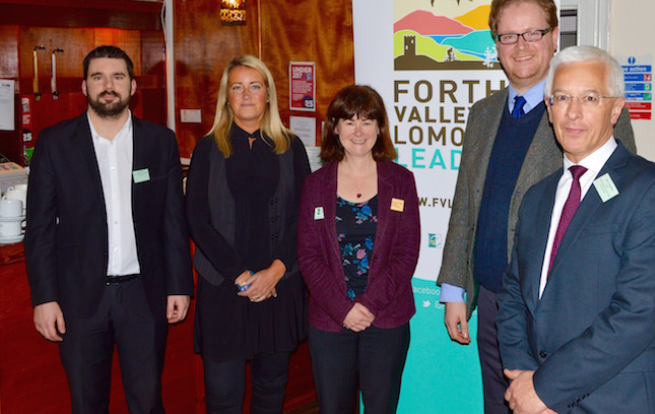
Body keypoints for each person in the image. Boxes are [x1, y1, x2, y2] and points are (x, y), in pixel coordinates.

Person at [436, 0, 637, 414]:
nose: (521, 46)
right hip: (494, 302)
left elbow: (618, 208)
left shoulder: (585, 110)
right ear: (496, 45)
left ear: (553, 36)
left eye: (532, 33)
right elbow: (466, 202)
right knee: (502, 403)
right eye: (508, 35)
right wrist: (455, 286)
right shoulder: (482, 114)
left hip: (564, 309)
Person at [24, 45, 193, 413]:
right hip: (79, 300)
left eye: (118, 77)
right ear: (84, 87)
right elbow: (38, 229)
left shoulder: (158, 141)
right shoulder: (54, 143)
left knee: (148, 402)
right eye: (98, 77)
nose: (108, 85)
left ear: (132, 86)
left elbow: (172, 221)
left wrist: (180, 285)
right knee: (87, 403)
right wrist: (44, 297)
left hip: (143, 297)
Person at [497, 45, 655, 413]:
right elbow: (512, 293)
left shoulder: (649, 189)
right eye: (562, 98)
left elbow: (639, 312)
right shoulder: (537, 197)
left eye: (589, 97)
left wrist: (544, 388)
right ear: (549, 108)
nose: (573, 112)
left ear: (616, 107)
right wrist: (523, 373)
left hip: (615, 399)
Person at [186, 55, 310, 413]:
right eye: (236, 87)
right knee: (223, 395)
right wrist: (241, 276)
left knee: (271, 389)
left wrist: (274, 272)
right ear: (226, 97)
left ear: (268, 94)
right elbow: (196, 219)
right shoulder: (208, 149)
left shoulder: (291, 147)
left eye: (255, 86)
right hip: (225, 289)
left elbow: (304, 217)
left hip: (278, 287)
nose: (246, 95)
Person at [298, 85, 421, 413]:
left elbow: (406, 253)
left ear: (380, 128)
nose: (358, 130)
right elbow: (308, 256)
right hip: (329, 321)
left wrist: (367, 305)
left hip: (386, 320)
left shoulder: (401, 181)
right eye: (348, 121)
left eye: (367, 121)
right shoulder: (314, 185)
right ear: (334, 128)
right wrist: (343, 309)